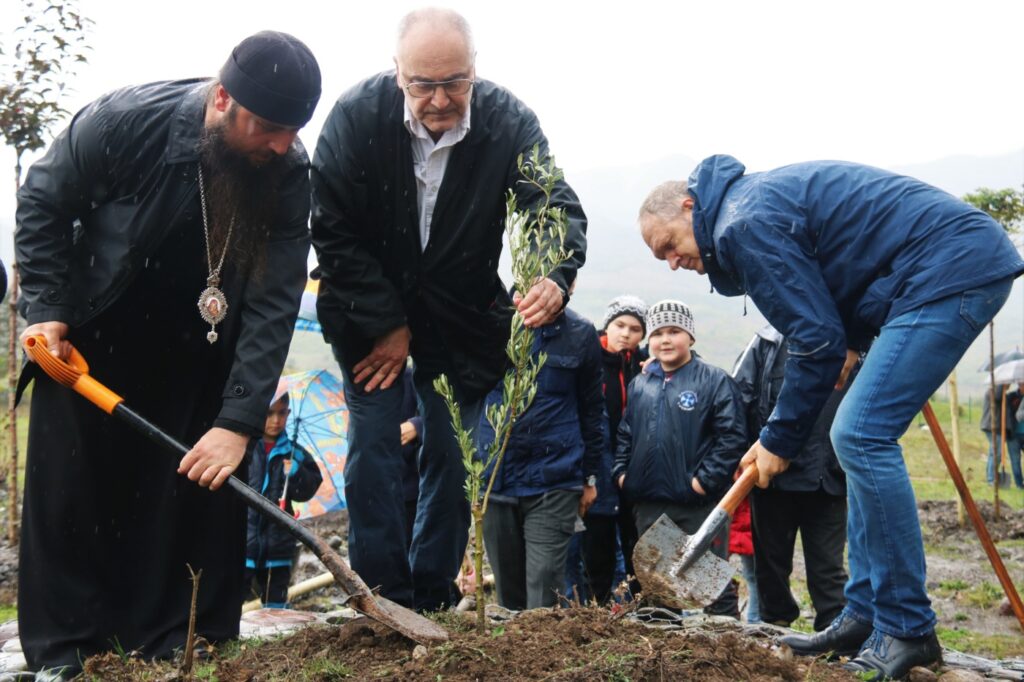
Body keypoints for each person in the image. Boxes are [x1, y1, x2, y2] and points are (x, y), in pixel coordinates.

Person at [639, 155, 1024, 680]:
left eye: (668, 246)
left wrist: (778, 438)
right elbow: (835, 288)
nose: (671, 263)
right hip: (924, 274)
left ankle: (908, 625)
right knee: (856, 438)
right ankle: (866, 612)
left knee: (861, 434)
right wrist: (850, 340)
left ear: (688, 206)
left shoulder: (742, 223)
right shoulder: (747, 207)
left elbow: (814, 343)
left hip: (948, 269)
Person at [15, 31, 320, 677]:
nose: (282, 145)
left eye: (293, 131)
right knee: (73, 498)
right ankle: (66, 654)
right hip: (93, 341)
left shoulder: (289, 171)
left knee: (186, 499)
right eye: (267, 128)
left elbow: (273, 300)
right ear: (221, 99)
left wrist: (237, 422)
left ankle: (177, 643)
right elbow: (43, 197)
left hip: (200, 350)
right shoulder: (127, 121)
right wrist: (46, 312)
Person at [310, 8, 587, 611]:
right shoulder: (356, 119)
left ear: (475, 70)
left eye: (454, 82)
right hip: (365, 311)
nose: (439, 100)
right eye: (422, 84)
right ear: (397, 73)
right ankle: (380, 596)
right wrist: (386, 323)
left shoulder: (507, 121)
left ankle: (431, 597)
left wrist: (550, 273)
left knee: (452, 449)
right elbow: (332, 231)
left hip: (461, 315)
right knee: (375, 444)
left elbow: (550, 202)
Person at [611, 300, 747, 618]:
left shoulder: (714, 380)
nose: (666, 340)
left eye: (674, 331)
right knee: (656, 583)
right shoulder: (641, 384)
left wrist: (702, 483)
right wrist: (622, 475)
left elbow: (731, 438)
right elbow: (625, 434)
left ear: (690, 337)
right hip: (648, 503)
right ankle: (664, 648)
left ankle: (725, 642)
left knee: (711, 582)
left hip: (697, 504)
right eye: (658, 333)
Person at [476, 306, 605, 610]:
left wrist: (590, 477)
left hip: (555, 478)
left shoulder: (580, 333)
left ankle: (545, 654)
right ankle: (512, 655)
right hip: (496, 478)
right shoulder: (490, 318)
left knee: (545, 582)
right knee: (508, 593)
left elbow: (592, 410)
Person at [732, 325, 850, 632]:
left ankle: (834, 632)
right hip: (773, 477)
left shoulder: (854, 342)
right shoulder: (767, 342)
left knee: (828, 566)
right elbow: (739, 395)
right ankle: (776, 629)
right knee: (770, 564)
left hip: (830, 475)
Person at [576, 295, 648, 604]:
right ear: (608, 325)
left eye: (634, 328)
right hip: (597, 467)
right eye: (620, 325)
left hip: (631, 469)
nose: (626, 333)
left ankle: (641, 607)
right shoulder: (589, 358)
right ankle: (598, 607)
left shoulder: (643, 364)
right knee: (597, 544)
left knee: (636, 544)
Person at [245, 388, 323, 608]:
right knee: (234, 597)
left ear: (288, 414)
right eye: (269, 414)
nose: (276, 420)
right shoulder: (245, 447)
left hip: (278, 542)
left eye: (281, 413)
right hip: (245, 540)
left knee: (276, 599)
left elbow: (306, 491)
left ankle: (274, 636)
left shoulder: (295, 453)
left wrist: (297, 472)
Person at [982, 383, 1023, 488]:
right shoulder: (995, 392)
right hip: (992, 426)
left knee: (995, 452)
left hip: (997, 427)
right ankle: (991, 479)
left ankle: (992, 478)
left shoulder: (1002, 395)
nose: (1009, 385)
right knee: (996, 452)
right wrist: (1004, 385)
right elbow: (998, 396)